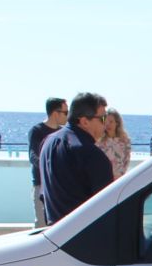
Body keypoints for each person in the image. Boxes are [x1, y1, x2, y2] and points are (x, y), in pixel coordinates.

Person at [39, 92, 114, 224]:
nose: (106, 124)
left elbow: (44, 194)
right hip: (82, 236)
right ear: (84, 121)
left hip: (53, 234)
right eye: (102, 118)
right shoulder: (89, 153)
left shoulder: (48, 141)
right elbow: (107, 206)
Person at [28, 97, 67, 227]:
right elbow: (33, 155)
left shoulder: (63, 132)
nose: (67, 116)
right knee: (41, 224)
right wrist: (48, 168)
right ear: (56, 113)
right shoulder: (37, 131)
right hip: (41, 184)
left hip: (58, 186)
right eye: (65, 113)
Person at [97, 108, 132, 179]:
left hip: (119, 179)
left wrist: (121, 175)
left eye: (111, 122)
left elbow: (126, 160)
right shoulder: (99, 141)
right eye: (105, 122)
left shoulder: (125, 141)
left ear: (117, 123)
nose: (108, 125)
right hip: (103, 178)